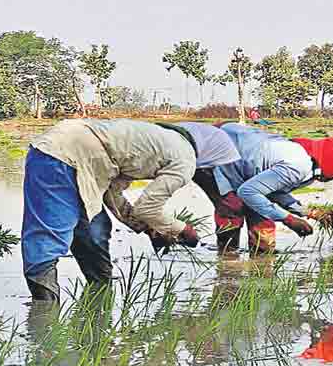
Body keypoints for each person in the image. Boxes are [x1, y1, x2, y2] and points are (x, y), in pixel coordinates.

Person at [20, 119, 238, 302]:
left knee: (96, 229)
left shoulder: (161, 139)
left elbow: (113, 194)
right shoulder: (185, 160)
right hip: (62, 156)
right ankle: (44, 318)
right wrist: (182, 229)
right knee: (50, 232)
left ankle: (99, 299)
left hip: (66, 147)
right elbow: (147, 207)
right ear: (211, 156)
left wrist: (146, 228)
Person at [191, 123, 333, 253]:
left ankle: (263, 260)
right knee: (232, 206)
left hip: (243, 164)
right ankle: (228, 259)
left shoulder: (304, 164)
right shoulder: (298, 166)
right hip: (213, 154)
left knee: (261, 212)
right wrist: (288, 219)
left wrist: (308, 212)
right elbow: (248, 192)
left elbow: (272, 192)